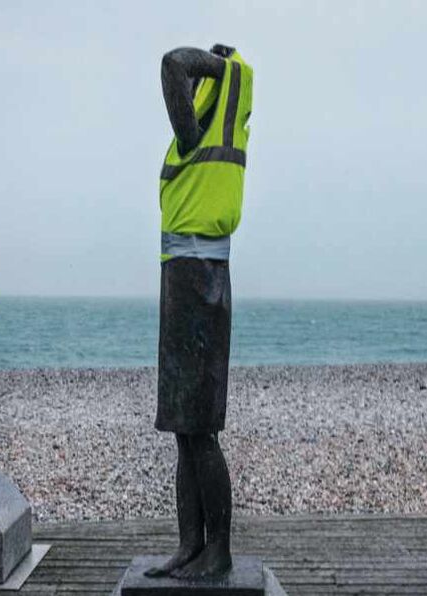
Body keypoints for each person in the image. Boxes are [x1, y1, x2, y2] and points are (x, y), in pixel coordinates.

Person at [145, 44, 253, 580]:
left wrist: (218, 66)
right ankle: (191, 543)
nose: (180, 99)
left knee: (200, 428)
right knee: (184, 428)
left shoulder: (198, 132)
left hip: (198, 281)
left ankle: (219, 549)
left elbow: (172, 63)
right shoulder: (200, 139)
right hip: (183, 279)